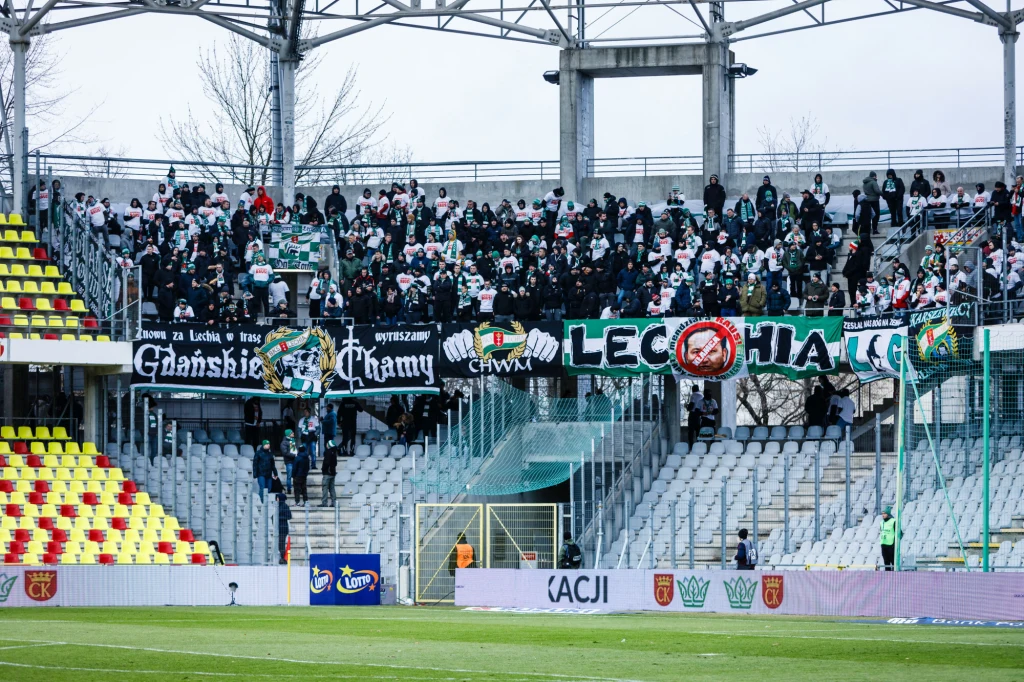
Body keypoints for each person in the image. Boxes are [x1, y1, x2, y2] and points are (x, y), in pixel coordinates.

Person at [320, 439, 340, 507]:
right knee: (332, 488)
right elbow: (335, 463)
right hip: (332, 473)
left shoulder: (328, 452)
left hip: (327, 473)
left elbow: (326, 462)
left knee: (325, 488)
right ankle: (334, 502)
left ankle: (324, 503)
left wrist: (323, 469)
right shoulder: (334, 452)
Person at [280, 428, 298, 494]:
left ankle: (296, 489)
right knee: (289, 476)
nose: (293, 433)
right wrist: (294, 455)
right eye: (292, 433)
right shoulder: (284, 443)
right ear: (288, 434)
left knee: (296, 476)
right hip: (289, 461)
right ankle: (289, 489)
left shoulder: (292, 441)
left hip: (295, 461)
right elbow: (285, 453)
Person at [880, 506, 897, 571]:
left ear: (888, 514)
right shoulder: (881, 522)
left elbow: (899, 533)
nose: (883, 515)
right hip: (883, 544)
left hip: (891, 545)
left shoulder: (893, 521)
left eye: (884, 513)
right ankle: (887, 578)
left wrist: (894, 542)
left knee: (893, 562)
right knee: (886, 562)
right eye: (882, 513)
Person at [277, 493, 292, 564]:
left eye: (277, 498)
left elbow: (289, 516)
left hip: (283, 528)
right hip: (278, 528)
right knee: (280, 544)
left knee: (281, 544)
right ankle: (281, 558)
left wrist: (278, 518)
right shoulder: (277, 506)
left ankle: (283, 558)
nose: (276, 499)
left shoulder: (285, 506)